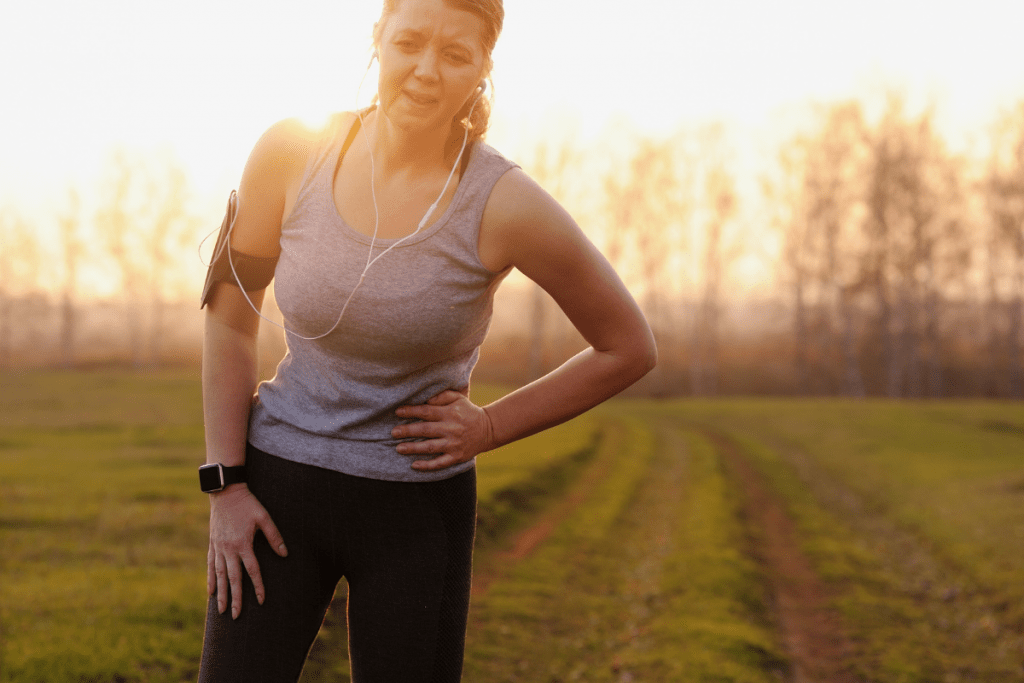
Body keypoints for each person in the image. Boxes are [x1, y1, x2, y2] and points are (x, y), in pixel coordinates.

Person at [196, 0, 657, 680]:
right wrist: (225, 485)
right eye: (409, 42)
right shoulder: (291, 152)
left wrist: (491, 425)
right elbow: (230, 317)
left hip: (414, 512)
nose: (425, 71)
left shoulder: (503, 201)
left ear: (483, 70)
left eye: (455, 54)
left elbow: (628, 345)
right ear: (378, 38)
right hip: (274, 494)